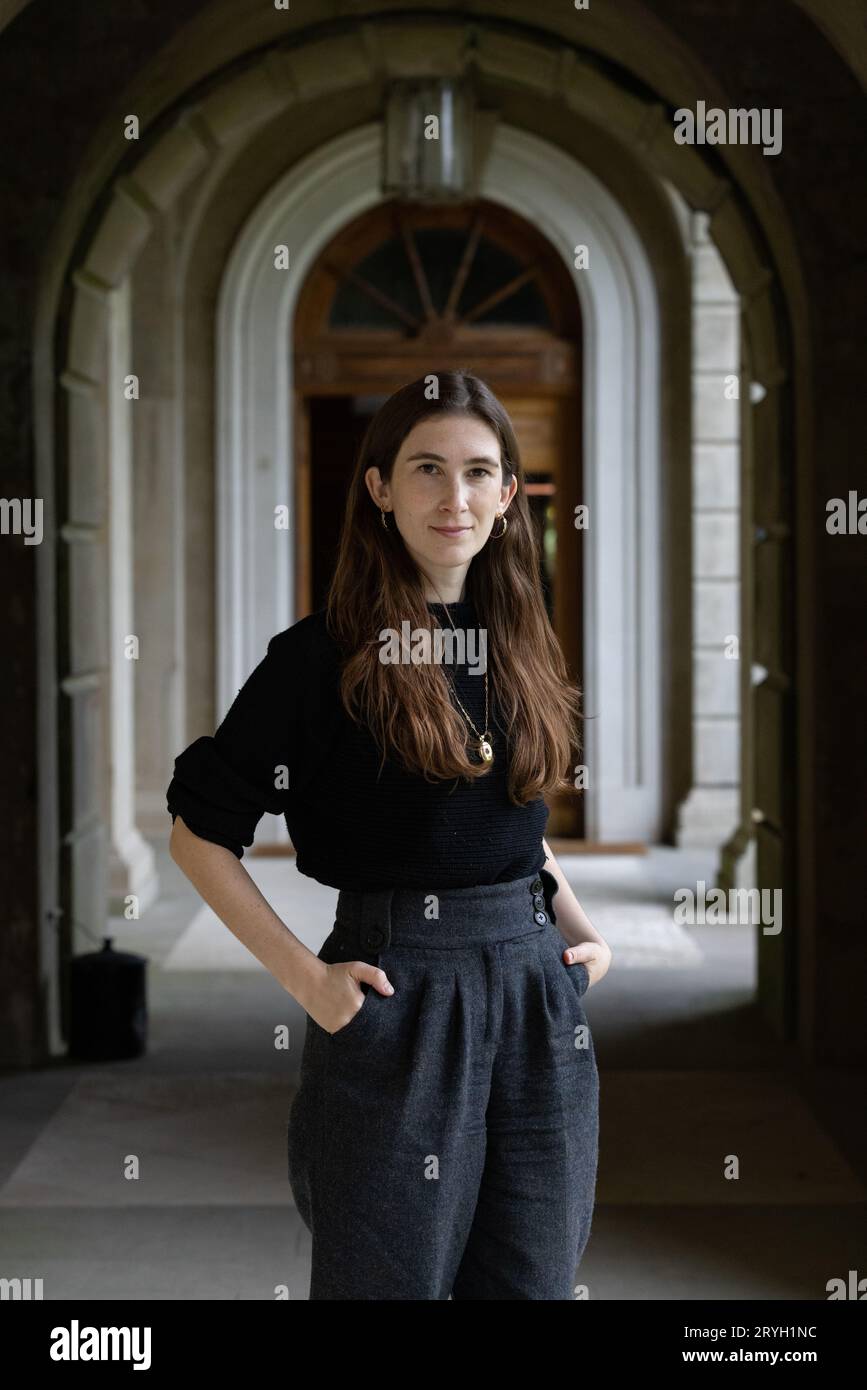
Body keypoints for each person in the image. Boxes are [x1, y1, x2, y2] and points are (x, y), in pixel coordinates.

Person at [167, 369, 612, 1300]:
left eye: (479, 472)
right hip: (400, 989)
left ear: (504, 494)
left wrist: (578, 929)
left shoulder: (523, 639)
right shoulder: (319, 656)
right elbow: (198, 836)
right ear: (378, 488)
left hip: (537, 997)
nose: (455, 497)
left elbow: (510, 830)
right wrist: (311, 985)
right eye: (426, 469)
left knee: (533, 1283)